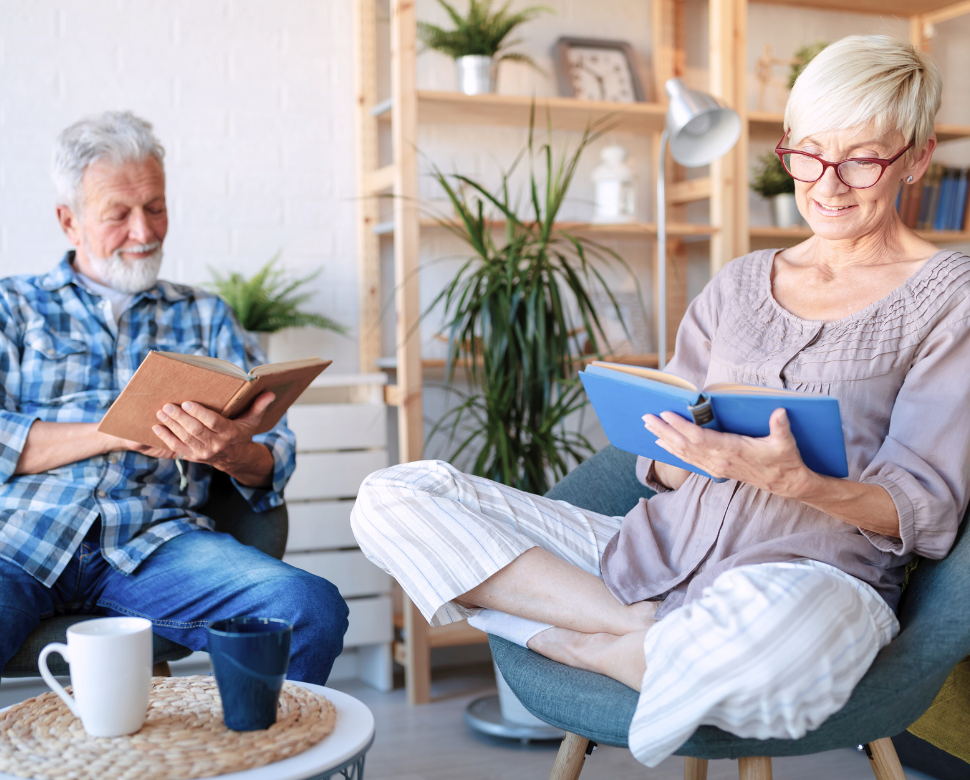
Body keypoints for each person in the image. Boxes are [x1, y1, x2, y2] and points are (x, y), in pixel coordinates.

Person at [352, 35, 970, 765]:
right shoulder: (740, 282)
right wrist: (684, 453)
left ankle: (577, 638)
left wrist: (793, 482)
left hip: (809, 578)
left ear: (918, 159)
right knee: (392, 497)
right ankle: (645, 642)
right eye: (807, 154)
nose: (827, 184)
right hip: (650, 554)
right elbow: (658, 460)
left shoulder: (950, 299)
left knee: (772, 649)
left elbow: (924, 511)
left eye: (862, 159)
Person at [0, 111, 348, 684]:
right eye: (119, 214)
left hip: (153, 543)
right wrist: (118, 429)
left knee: (310, 611)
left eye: (156, 207)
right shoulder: (14, 307)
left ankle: (264, 768)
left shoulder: (204, 313)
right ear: (69, 222)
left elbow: (275, 456)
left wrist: (234, 451)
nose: (145, 232)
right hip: (22, 539)